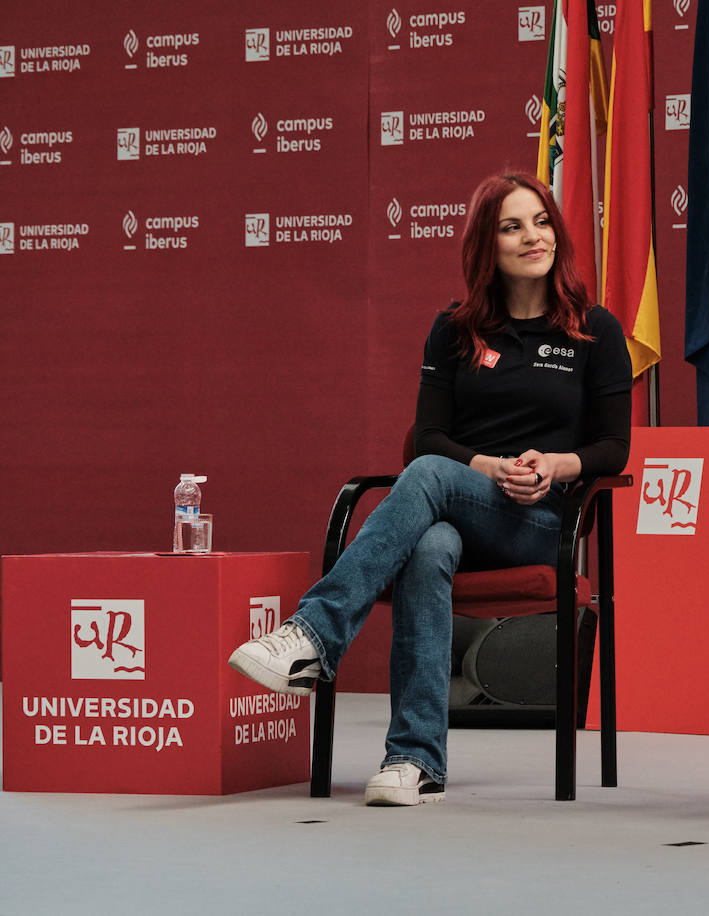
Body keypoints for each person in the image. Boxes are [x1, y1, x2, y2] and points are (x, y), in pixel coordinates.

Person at [229, 172, 633, 806]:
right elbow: (429, 437)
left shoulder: (595, 330)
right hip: (462, 508)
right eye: (512, 227)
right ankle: (414, 762)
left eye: (541, 222)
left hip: (539, 522)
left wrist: (556, 465)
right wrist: (486, 467)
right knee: (428, 545)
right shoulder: (454, 330)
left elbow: (614, 447)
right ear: (486, 245)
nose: (533, 237)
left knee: (426, 477)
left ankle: (315, 633)